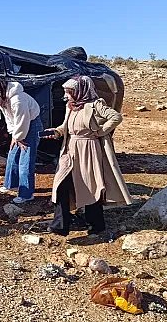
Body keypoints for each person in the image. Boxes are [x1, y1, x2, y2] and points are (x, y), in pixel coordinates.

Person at [44, 76, 132, 236]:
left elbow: (116, 117)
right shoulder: (70, 106)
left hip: (88, 149)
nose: (67, 95)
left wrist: (100, 131)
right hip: (70, 149)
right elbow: (65, 126)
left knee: (90, 186)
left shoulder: (95, 104)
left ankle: (96, 224)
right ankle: (60, 224)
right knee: (61, 185)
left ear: (80, 91)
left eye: (69, 92)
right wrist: (56, 132)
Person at [0, 78, 42, 204]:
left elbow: (23, 119)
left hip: (31, 126)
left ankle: (26, 194)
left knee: (26, 159)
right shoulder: (3, 99)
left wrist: (19, 137)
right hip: (20, 128)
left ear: (0, 89)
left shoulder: (17, 99)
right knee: (13, 154)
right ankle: (11, 184)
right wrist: (14, 135)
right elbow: (10, 119)